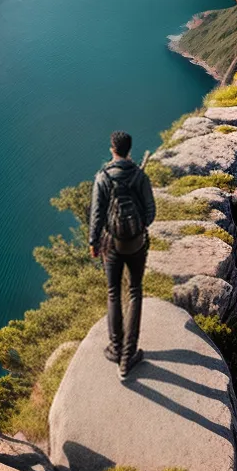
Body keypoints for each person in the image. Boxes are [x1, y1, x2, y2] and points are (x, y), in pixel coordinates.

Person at [88, 130, 156, 379]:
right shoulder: (139, 176)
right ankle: (128, 357)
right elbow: (150, 212)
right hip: (137, 244)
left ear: (112, 149)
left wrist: (94, 243)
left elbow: (96, 215)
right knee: (135, 292)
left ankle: (116, 348)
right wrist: (137, 228)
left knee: (113, 293)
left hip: (111, 245)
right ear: (129, 150)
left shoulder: (103, 177)